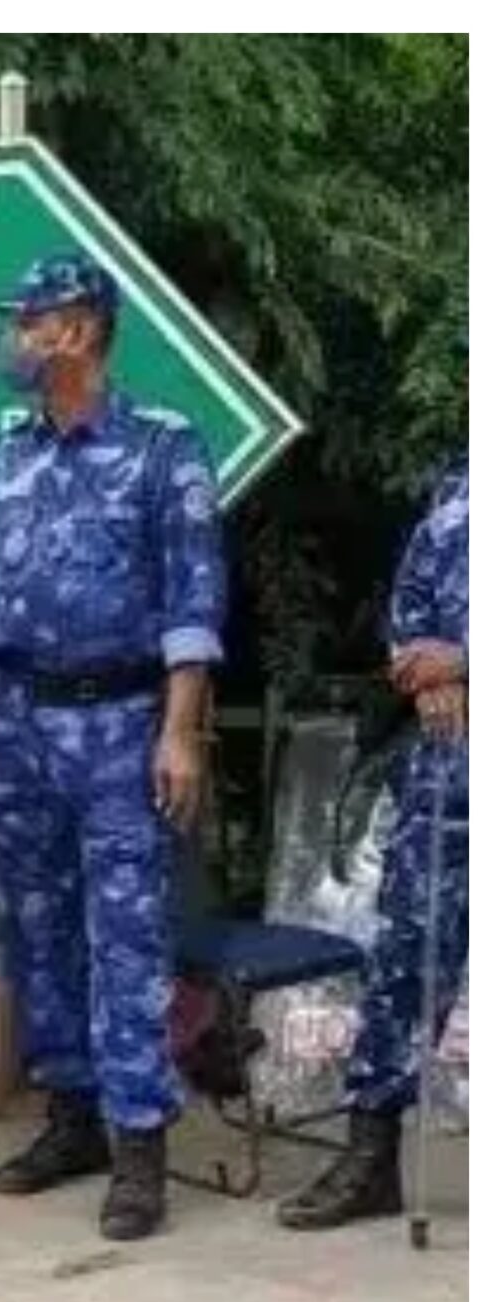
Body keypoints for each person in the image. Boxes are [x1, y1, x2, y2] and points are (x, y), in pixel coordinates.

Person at [0, 252, 228, 1242]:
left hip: (122, 723)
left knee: (126, 936)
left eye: (25, 323)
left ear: (74, 330)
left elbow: (193, 599)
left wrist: (179, 729)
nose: (11, 341)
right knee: (36, 927)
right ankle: (69, 1116)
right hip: (20, 720)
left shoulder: (163, 447)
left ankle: (139, 1144)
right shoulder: (2, 452)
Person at [278, 460, 468, 1229]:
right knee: (407, 962)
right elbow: (411, 610)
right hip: (450, 772)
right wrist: (428, 673)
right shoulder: (458, 491)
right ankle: (370, 1154)